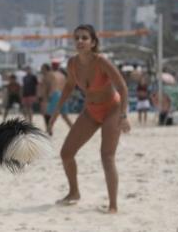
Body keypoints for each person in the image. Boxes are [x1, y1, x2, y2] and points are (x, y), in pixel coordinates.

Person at [48, 24, 131, 214]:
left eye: (84, 38)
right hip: (91, 111)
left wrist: (124, 115)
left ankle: (112, 206)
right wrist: (56, 113)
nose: (80, 41)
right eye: (76, 38)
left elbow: (123, 87)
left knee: (107, 156)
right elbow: (69, 87)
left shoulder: (102, 62)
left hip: (113, 109)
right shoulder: (72, 64)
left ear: (93, 42)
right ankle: (74, 192)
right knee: (66, 153)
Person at [42, 63, 73, 135]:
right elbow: (66, 86)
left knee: (51, 114)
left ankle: (48, 130)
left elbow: (51, 85)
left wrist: (48, 96)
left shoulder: (50, 74)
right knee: (64, 115)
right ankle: (73, 128)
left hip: (55, 94)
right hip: (63, 94)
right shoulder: (62, 75)